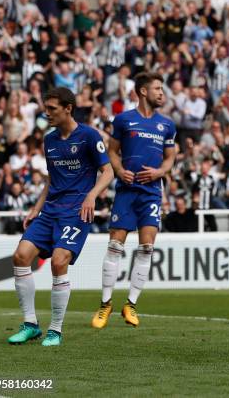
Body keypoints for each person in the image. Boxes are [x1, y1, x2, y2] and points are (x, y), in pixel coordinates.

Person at [8, 87, 113, 346]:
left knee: (58, 261)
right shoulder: (49, 140)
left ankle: (55, 329)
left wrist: (92, 195)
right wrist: (36, 208)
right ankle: (31, 324)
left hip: (76, 212)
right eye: (46, 108)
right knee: (21, 256)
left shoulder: (89, 136)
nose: (47, 113)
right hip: (50, 210)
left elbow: (108, 171)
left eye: (52, 109)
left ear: (68, 108)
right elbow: (51, 179)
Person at [91, 72, 176, 329]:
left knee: (147, 247)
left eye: (162, 89)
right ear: (142, 91)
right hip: (127, 190)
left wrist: (160, 172)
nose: (162, 93)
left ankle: (131, 304)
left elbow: (171, 157)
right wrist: (118, 170)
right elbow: (112, 152)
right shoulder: (124, 120)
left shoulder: (167, 124)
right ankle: (106, 304)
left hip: (151, 191)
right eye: (158, 89)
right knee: (115, 245)